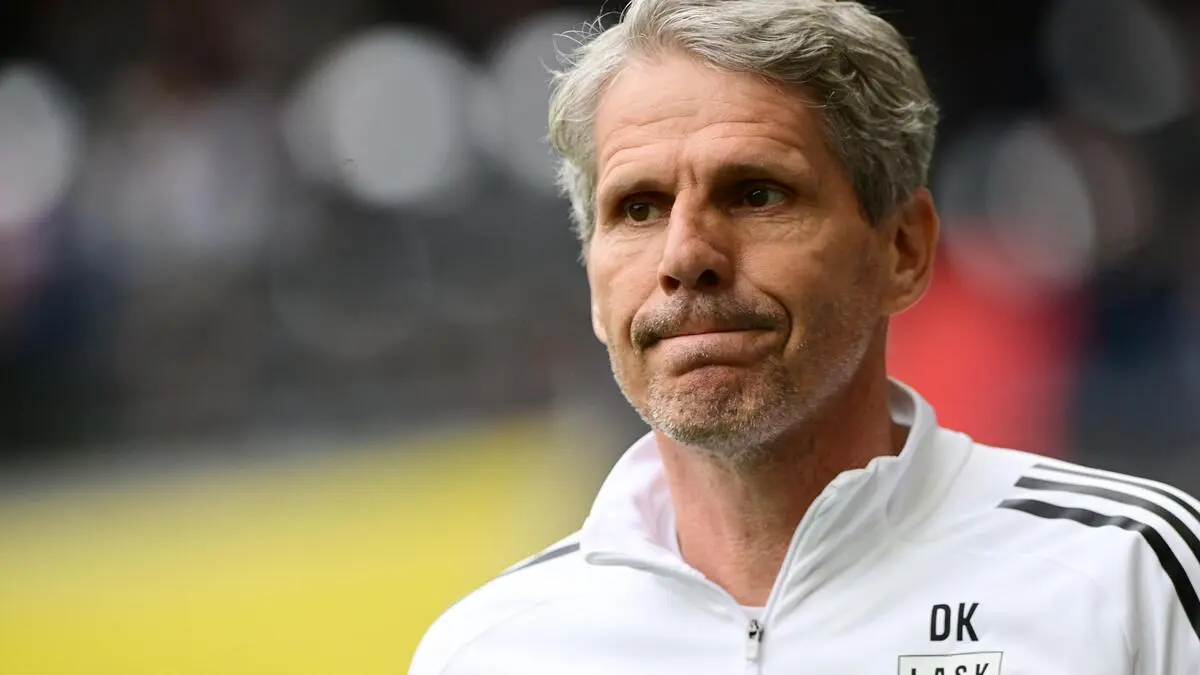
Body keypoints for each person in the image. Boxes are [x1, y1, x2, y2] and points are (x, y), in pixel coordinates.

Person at [409, 1, 1200, 672]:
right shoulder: (487, 650)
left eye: (756, 194)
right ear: (593, 278)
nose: (685, 256)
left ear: (903, 249)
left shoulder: (1129, 576)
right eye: (638, 208)